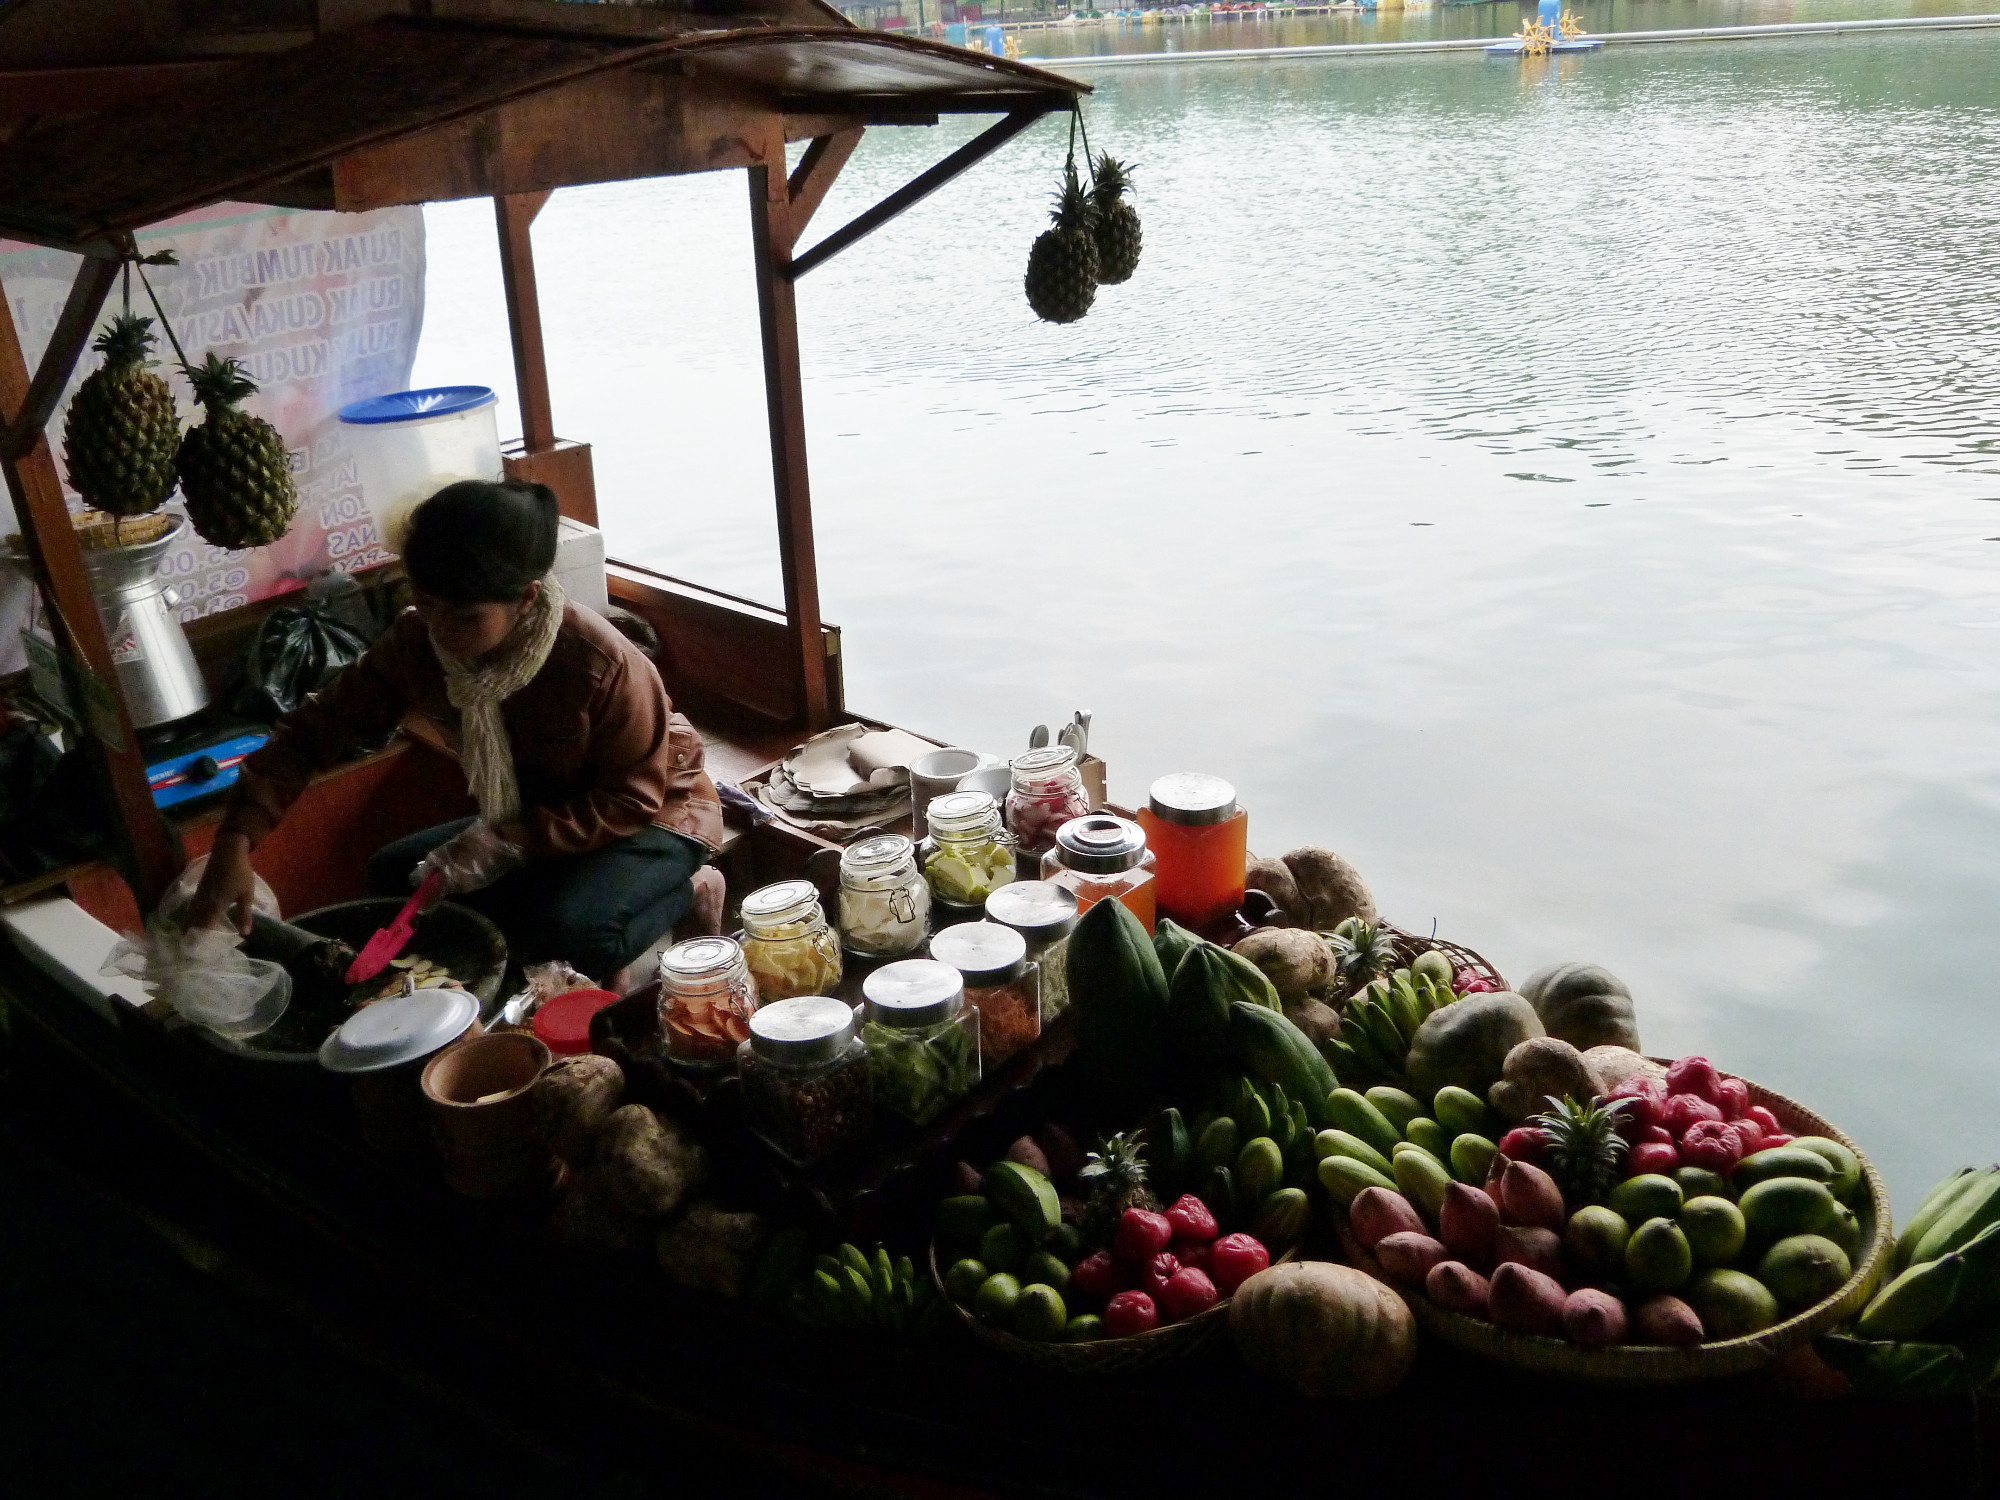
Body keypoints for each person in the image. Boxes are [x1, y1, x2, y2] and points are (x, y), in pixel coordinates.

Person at [189, 479, 724, 985]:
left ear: (528, 598)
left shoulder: (599, 661)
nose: (440, 627)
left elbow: (631, 799)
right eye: (425, 601)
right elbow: (313, 731)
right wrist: (234, 843)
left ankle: (694, 890)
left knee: (568, 935)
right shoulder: (417, 642)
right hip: (535, 810)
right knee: (393, 882)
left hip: (655, 815)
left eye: (465, 616)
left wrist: (508, 844)